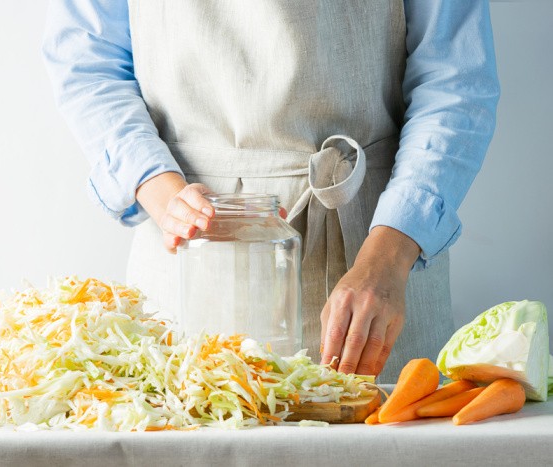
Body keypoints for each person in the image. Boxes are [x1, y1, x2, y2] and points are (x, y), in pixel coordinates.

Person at [42, 0, 499, 382]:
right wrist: (164, 195)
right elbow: (87, 59)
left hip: (381, 256)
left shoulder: (386, 261)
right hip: (192, 251)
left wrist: (388, 257)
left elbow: (456, 79)